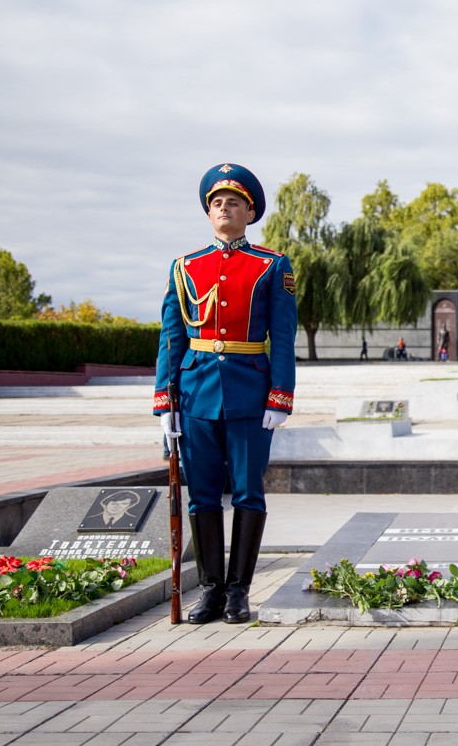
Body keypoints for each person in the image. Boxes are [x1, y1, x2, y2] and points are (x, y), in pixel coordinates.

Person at [155, 163, 298, 626]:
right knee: (202, 495)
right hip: (195, 394)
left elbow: (283, 336)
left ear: (249, 212)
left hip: (250, 394)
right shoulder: (185, 267)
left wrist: (280, 396)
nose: (224, 209)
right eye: (216, 203)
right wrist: (164, 403)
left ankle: (239, 591)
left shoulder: (272, 265)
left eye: (233, 203)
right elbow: (171, 338)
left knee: (248, 493)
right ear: (208, 212)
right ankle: (211, 589)